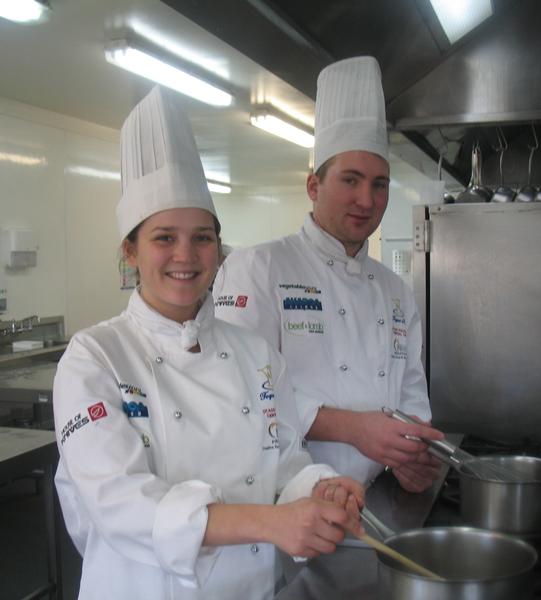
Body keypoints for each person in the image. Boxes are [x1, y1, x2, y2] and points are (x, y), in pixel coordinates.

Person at [53, 86, 364, 600]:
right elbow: (120, 505)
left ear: (219, 249)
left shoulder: (254, 353)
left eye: (202, 237)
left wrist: (319, 487)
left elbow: (285, 462)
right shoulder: (94, 358)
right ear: (130, 250)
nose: (187, 254)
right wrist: (270, 523)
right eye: (164, 237)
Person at [213, 56, 444, 490]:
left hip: (379, 499)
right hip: (292, 504)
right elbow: (241, 390)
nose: (366, 199)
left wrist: (412, 456)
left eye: (379, 184)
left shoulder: (396, 291)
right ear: (313, 187)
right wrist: (353, 428)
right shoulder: (259, 268)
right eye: (350, 180)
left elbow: (412, 390)